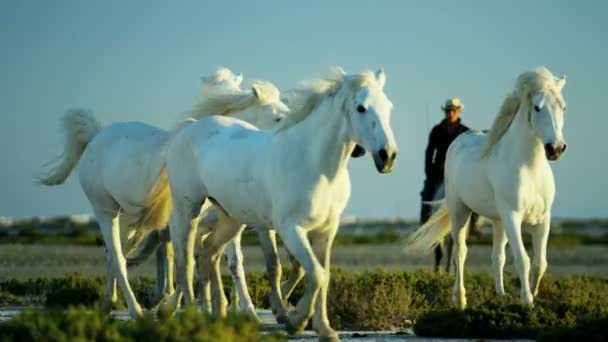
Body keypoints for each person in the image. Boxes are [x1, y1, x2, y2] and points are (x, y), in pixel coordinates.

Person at [419, 98, 478, 272]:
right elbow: (429, 152)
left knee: (474, 195)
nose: (450, 113)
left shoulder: (466, 132)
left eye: (453, 110)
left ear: (459, 111)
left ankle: (474, 224)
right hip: (439, 173)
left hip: (459, 174)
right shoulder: (437, 130)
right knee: (427, 193)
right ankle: (425, 221)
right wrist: (429, 172)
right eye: (448, 110)